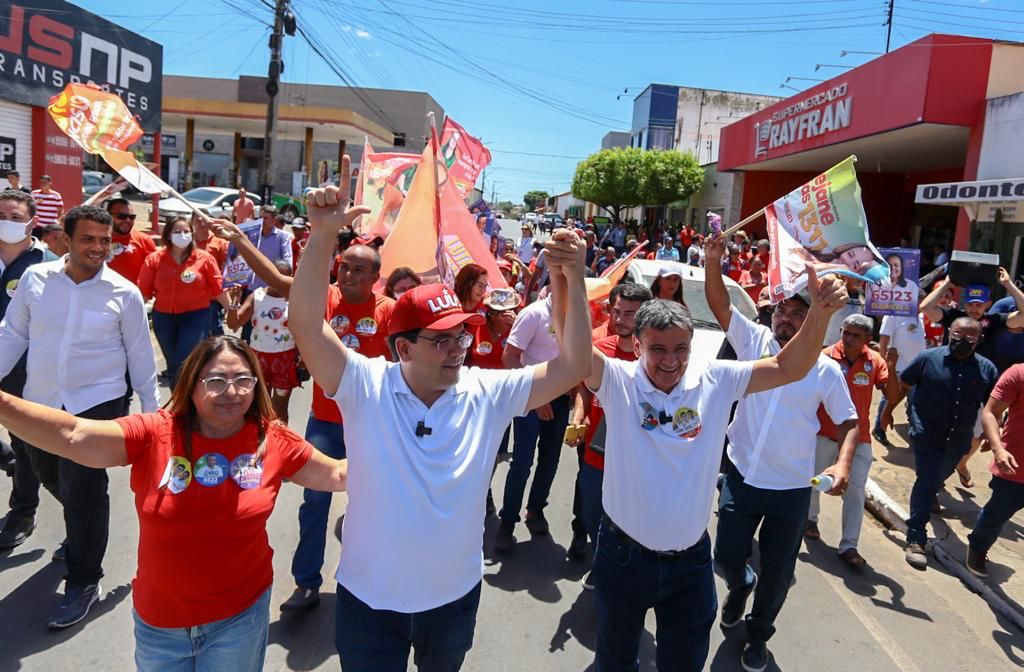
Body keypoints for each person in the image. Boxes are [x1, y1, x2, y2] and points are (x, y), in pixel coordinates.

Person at [290, 171, 591, 671]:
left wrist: (575, 278)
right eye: (442, 340)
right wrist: (322, 237)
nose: (458, 350)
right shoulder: (365, 385)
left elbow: (573, 366)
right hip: (368, 604)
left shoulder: (487, 391)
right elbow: (305, 324)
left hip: (452, 603)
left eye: (462, 337)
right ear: (403, 347)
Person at [0, 335, 350, 668]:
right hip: (161, 624)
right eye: (215, 381)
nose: (231, 392)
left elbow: (336, 475)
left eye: (244, 380)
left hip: (239, 619)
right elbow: (73, 435)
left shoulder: (272, 439)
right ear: (191, 384)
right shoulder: (154, 433)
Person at [584, 261, 847, 672]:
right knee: (615, 662)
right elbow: (573, 354)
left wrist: (820, 312)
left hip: (689, 565)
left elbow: (788, 367)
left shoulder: (717, 380)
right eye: (657, 349)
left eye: (680, 349)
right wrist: (566, 277)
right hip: (622, 559)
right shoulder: (618, 380)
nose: (670, 361)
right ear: (637, 346)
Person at [210, 217, 396, 613]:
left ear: (376, 277)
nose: (347, 273)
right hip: (325, 422)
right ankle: (307, 582)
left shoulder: (391, 312)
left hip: (374, 424)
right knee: (315, 504)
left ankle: (369, 582)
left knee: (374, 506)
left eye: (359, 269)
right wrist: (241, 239)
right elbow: (277, 283)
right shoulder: (322, 298)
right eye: (344, 265)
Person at [0, 204, 160, 628]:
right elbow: (13, 334)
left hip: (98, 406)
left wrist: (154, 416)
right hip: (41, 403)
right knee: (46, 473)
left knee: (85, 489)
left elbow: (141, 358)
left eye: (105, 240)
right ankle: (82, 534)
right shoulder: (35, 280)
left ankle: (84, 580)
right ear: (65, 240)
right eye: (88, 239)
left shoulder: (124, 293)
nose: (98, 248)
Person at [705, 234, 857, 671]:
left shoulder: (826, 371)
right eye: (782, 312)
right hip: (740, 478)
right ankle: (739, 584)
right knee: (727, 558)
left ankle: (758, 636)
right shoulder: (754, 342)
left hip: (791, 490)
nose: (786, 319)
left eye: (797, 313)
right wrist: (714, 261)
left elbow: (848, 421)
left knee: (778, 575)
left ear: (814, 322)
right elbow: (719, 305)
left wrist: (842, 461)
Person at [880, 317, 998, 570]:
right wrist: (888, 410)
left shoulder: (987, 369)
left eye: (969, 339)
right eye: (957, 337)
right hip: (926, 432)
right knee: (926, 479)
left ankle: (933, 489)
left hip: (959, 438)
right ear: (948, 333)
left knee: (937, 477)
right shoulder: (927, 359)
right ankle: (916, 539)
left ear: (979, 341)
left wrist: (992, 434)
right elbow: (904, 386)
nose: (962, 343)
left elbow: (992, 407)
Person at [568, 282, 652, 584]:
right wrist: (580, 414)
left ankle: (618, 573)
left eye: (630, 314)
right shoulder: (600, 351)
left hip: (636, 462)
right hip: (595, 456)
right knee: (592, 516)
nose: (621, 319)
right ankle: (602, 560)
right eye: (617, 312)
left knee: (631, 523)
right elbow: (585, 389)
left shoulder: (654, 359)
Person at [807, 314, 897, 567]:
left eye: (855, 335)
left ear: (868, 339)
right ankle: (810, 519)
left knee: (856, 490)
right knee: (815, 479)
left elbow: (891, 395)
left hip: (860, 437)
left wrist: (891, 367)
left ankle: (849, 546)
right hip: (824, 432)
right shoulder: (824, 356)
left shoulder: (875, 361)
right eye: (845, 332)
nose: (847, 339)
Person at [0, 189, 59, 551]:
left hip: (26, 370)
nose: (7, 222)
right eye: (1, 214)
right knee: (18, 450)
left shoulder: (48, 264)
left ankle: (23, 511)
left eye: (16, 217)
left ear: (32, 223)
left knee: (28, 446)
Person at [496, 287, 573, 552]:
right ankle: (507, 523)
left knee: (550, 461)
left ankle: (536, 510)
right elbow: (509, 357)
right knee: (522, 462)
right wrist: (537, 398)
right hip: (530, 401)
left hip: (561, 401)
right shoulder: (533, 314)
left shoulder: (576, 317)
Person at [138, 216, 228, 386]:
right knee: (172, 364)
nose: (182, 235)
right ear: (168, 235)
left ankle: (189, 402)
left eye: (186, 231)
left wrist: (233, 309)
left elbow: (218, 288)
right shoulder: (154, 259)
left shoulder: (205, 258)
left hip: (196, 316)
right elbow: (143, 292)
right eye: (177, 231)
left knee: (184, 360)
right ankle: (178, 405)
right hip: (164, 318)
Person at [968, 363, 1024, 577]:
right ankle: (978, 547)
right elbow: (991, 412)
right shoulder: (1018, 373)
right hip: (1016, 468)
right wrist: (998, 448)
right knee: (996, 515)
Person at [468, 288, 521, 516]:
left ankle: (484, 488)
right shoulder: (475, 328)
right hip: (475, 400)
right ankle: (473, 491)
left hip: (503, 401)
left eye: (508, 311)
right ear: (489, 313)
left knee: (495, 452)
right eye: (499, 312)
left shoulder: (518, 329)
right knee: (473, 449)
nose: (504, 316)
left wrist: (518, 323)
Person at [226, 259, 299, 423]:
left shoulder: (296, 298)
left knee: (280, 408)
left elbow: (304, 330)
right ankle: (260, 439)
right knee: (259, 405)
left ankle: (281, 441)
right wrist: (234, 302)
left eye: (283, 276)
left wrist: (303, 358)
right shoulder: (257, 296)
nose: (277, 280)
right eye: (274, 275)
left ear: (290, 277)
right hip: (259, 360)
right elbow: (233, 324)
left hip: (285, 361)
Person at [873, 310, 927, 446]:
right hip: (897, 367)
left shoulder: (921, 316)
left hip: (917, 368)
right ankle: (879, 428)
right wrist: (884, 365)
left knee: (915, 400)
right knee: (889, 398)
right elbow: (884, 342)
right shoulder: (892, 315)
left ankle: (913, 430)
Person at [192, 212, 231, 336]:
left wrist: (228, 297)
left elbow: (228, 267)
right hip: (191, 295)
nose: (201, 223)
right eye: (198, 220)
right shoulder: (187, 242)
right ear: (192, 222)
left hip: (212, 297)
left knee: (214, 330)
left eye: (204, 220)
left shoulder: (220, 242)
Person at [106, 197, 157, 287]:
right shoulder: (97, 240)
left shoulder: (144, 240)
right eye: (121, 216)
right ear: (108, 216)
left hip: (132, 297)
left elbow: (155, 271)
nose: (127, 220)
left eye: (131, 217)